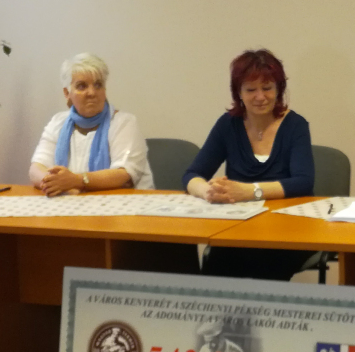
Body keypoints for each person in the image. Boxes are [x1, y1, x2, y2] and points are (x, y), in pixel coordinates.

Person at [183, 49, 315, 281]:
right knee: (216, 263)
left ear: (279, 89)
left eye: (267, 88)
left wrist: (250, 191)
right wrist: (208, 191)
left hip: (287, 229)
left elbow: (303, 182)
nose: (260, 96)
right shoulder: (228, 125)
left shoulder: (296, 125)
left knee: (264, 262)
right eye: (251, 89)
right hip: (239, 226)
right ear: (239, 93)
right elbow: (192, 174)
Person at [30, 53, 154, 196]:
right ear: (67, 93)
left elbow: (123, 175)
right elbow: (36, 168)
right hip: (72, 202)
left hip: (125, 205)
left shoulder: (124, 123)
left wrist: (75, 181)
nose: (91, 92)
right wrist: (55, 183)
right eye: (82, 86)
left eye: (98, 85)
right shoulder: (58, 122)